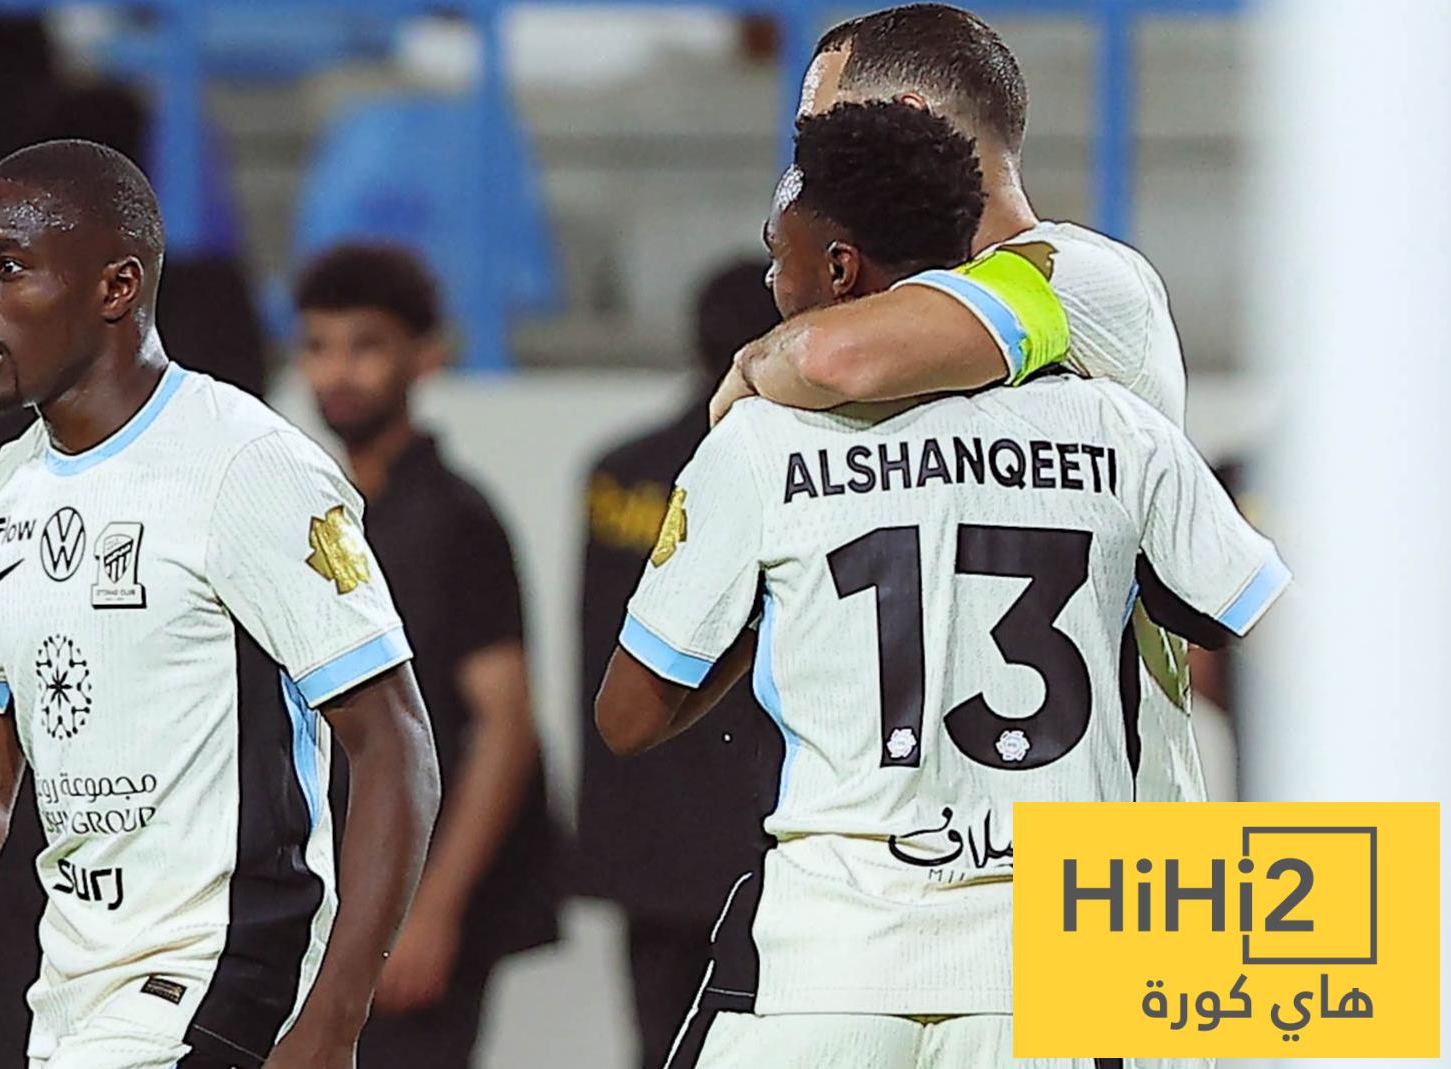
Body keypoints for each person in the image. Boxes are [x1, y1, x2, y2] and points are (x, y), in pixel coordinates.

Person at [596, 101, 1285, 1069]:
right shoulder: (1114, 427)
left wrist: (775, 611)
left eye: (777, 255)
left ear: (839, 269)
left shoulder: (761, 441)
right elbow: (1290, 635)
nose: (770, 281)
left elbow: (628, 717)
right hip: (1053, 968)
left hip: (830, 966)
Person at [0, 140, 441, 1069]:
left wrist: (333, 1022)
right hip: (72, 1005)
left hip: (225, 989)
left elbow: (394, 741)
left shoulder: (245, 465)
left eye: (9, 267)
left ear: (117, 287)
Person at [711, 2, 1206, 808]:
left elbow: (831, 356)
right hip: (940, 847)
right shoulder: (890, 322)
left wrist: (749, 370)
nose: (806, 173)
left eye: (821, 136)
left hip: (1106, 842)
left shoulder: (1076, 277)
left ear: (911, 120)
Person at [292, 242, 561, 1069]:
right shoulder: (312, 514)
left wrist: (432, 907)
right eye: (319, 345)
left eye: (365, 345)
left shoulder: (457, 521)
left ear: (426, 355)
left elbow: (504, 725)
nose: (338, 370)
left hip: (416, 899)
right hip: (327, 899)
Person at [575, 257, 783, 1069]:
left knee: (665, 1049)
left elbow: (604, 674)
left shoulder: (620, 472)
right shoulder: (808, 471)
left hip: (651, 836)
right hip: (785, 839)